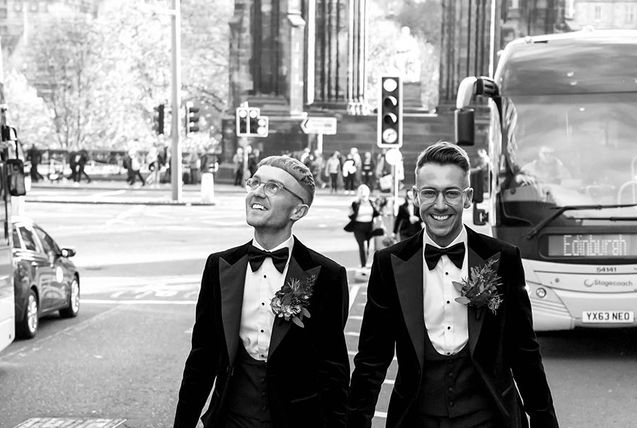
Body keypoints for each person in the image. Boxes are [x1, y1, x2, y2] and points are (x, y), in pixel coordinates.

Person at [348, 141, 559, 428]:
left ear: (468, 197)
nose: (440, 205)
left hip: (491, 416)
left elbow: (523, 350)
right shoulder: (389, 263)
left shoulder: (502, 258)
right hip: (415, 417)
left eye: (451, 193)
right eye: (429, 193)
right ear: (415, 195)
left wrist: (544, 419)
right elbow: (372, 358)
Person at [173, 155, 349, 428]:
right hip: (229, 418)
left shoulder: (324, 274)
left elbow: (333, 369)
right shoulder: (220, 266)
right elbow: (202, 357)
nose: (257, 192)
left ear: (298, 211)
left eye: (273, 187)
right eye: (255, 182)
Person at [345, 184, 380, 269]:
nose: (363, 195)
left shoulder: (371, 202)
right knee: (363, 245)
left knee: (367, 248)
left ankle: (364, 262)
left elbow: (376, 214)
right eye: (362, 193)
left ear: (368, 193)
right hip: (358, 227)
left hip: (369, 227)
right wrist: (350, 211)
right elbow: (350, 216)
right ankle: (363, 265)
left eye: (365, 193)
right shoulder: (355, 203)